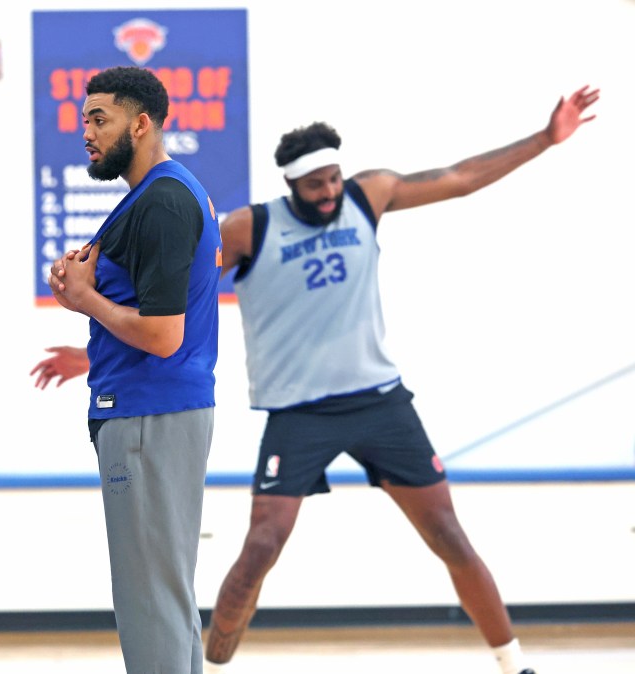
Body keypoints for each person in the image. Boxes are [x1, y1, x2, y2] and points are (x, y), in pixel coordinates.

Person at [33, 84, 599, 674]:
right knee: (259, 548)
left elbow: (460, 177)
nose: (329, 192)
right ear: (290, 185)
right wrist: (91, 351)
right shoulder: (249, 227)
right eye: (315, 184)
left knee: (448, 534)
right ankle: (214, 664)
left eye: (334, 178)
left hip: (378, 399)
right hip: (298, 410)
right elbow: (180, 292)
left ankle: (514, 664)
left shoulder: (368, 197)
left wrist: (546, 139)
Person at [42, 65, 222, 673]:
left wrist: (85, 300)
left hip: (151, 416)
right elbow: (155, 321)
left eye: (99, 119)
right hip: (154, 411)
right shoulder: (152, 198)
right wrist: (90, 340)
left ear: (140, 123)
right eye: (83, 120)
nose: (86, 133)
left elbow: (165, 336)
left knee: (150, 605)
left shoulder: (165, 203)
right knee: (164, 600)